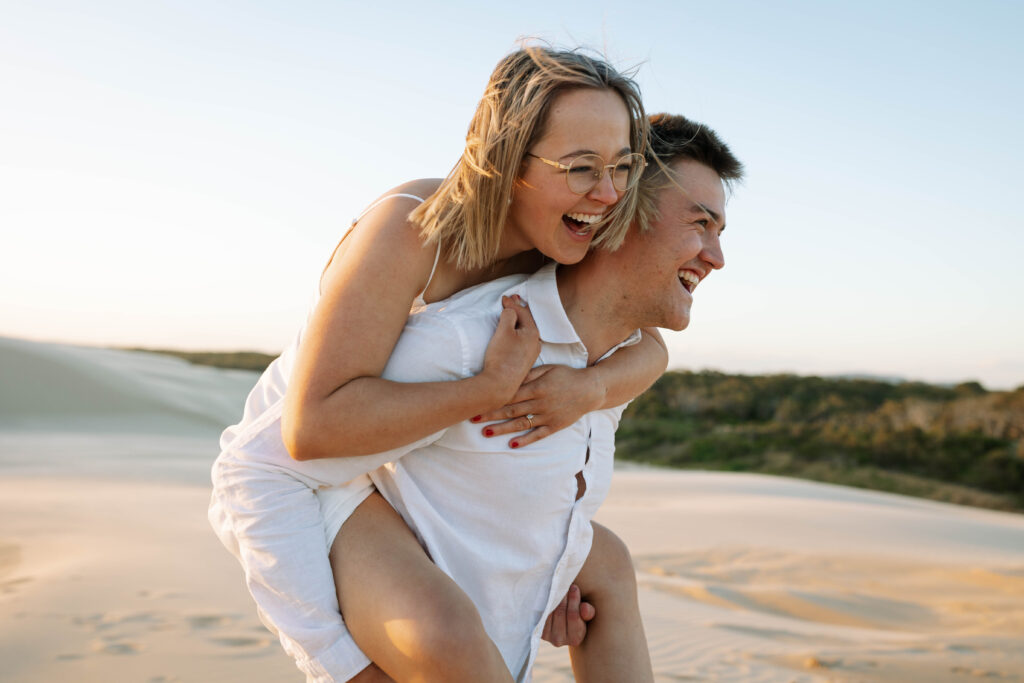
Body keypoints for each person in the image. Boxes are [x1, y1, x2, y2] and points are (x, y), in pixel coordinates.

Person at [210, 45, 668, 682]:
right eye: (581, 166)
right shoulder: (410, 230)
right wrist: (489, 387)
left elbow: (650, 345)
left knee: (605, 567)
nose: (609, 192)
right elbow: (309, 431)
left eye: (622, 166)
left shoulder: (562, 239)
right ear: (509, 160)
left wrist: (585, 390)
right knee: (434, 640)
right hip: (300, 480)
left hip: (410, 466)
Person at [321, 113, 744, 682]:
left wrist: (550, 565)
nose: (716, 257)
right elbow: (301, 460)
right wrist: (342, 659)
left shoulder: (614, 363)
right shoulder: (476, 343)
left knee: (609, 563)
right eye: (700, 225)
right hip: (431, 649)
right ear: (618, 212)